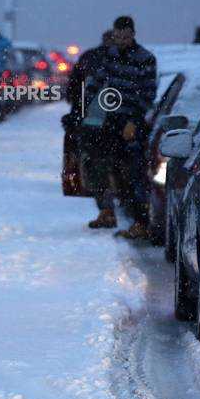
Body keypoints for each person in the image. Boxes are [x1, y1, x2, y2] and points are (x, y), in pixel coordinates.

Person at [90, 16, 157, 239]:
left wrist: (134, 121)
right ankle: (106, 211)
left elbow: (147, 94)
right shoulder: (108, 56)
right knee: (101, 166)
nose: (121, 40)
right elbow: (96, 84)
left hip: (131, 122)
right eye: (117, 36)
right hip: (108, 120)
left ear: (133, 35)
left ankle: (140, 221)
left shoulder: (145, 59)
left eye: (125, 36)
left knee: (132, 173)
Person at [62, 31, 118, 221]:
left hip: (95, 123)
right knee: (104, 167)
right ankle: (108, 207)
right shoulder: (122, 61)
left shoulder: (91, 59)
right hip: (106, 124)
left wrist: (77, 112)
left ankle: (106, 208)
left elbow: (73, 90)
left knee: (95, 166)